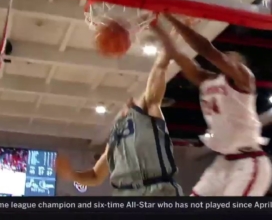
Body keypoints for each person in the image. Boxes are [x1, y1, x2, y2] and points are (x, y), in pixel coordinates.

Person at [56, 21, 183, 196]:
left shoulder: (150, 112)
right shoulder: (115, 137)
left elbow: (160, 66)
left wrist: (173, 35)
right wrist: (72, 175)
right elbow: (95, 176)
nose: (131, 101)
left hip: (157, 189)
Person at [160, 12, 272, 196]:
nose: (227, 57)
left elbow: (207, 50)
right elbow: (176, 55)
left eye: (232, 57)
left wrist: (171, 17)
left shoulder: (245, 79)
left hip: (249, 163)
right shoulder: (206, 80)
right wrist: (156, 26)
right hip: (223, 162)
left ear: (241, 64)